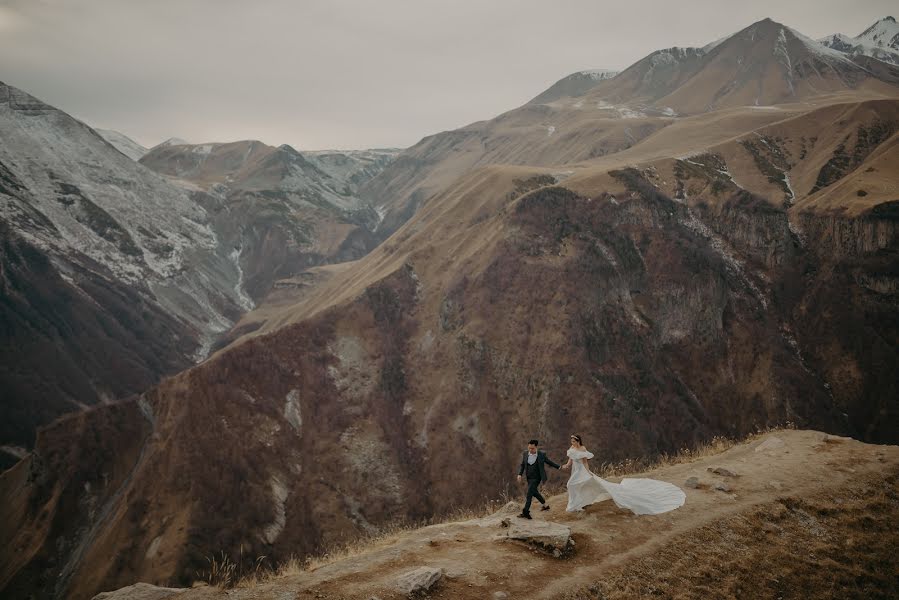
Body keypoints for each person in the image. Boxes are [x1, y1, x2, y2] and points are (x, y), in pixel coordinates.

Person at [562, 434, 686, 515]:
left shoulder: (583, 449)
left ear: (578, 441)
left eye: (573, 441)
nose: (572, 442)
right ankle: (577, 504)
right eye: (571, 441)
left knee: (573, 485)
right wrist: (566, 466)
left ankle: (575, 505)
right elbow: (571, 459)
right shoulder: (572, 448)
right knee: (573, 485)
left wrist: (588, 472)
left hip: (582, 471)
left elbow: (584, 461)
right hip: (575, 471)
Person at [517, 439, 562, 519]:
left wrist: (559, 467)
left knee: (529, 494)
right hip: (529, 477)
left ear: (536, 447)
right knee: (534, 492)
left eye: (532, 448)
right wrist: (520, 474)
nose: (530, 450)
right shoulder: (525, 453)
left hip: (536, 478)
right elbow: (523, 465)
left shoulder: (541, 455)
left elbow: (549, 462)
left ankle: (526, 512)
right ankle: (545, 505)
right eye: (529, 448)